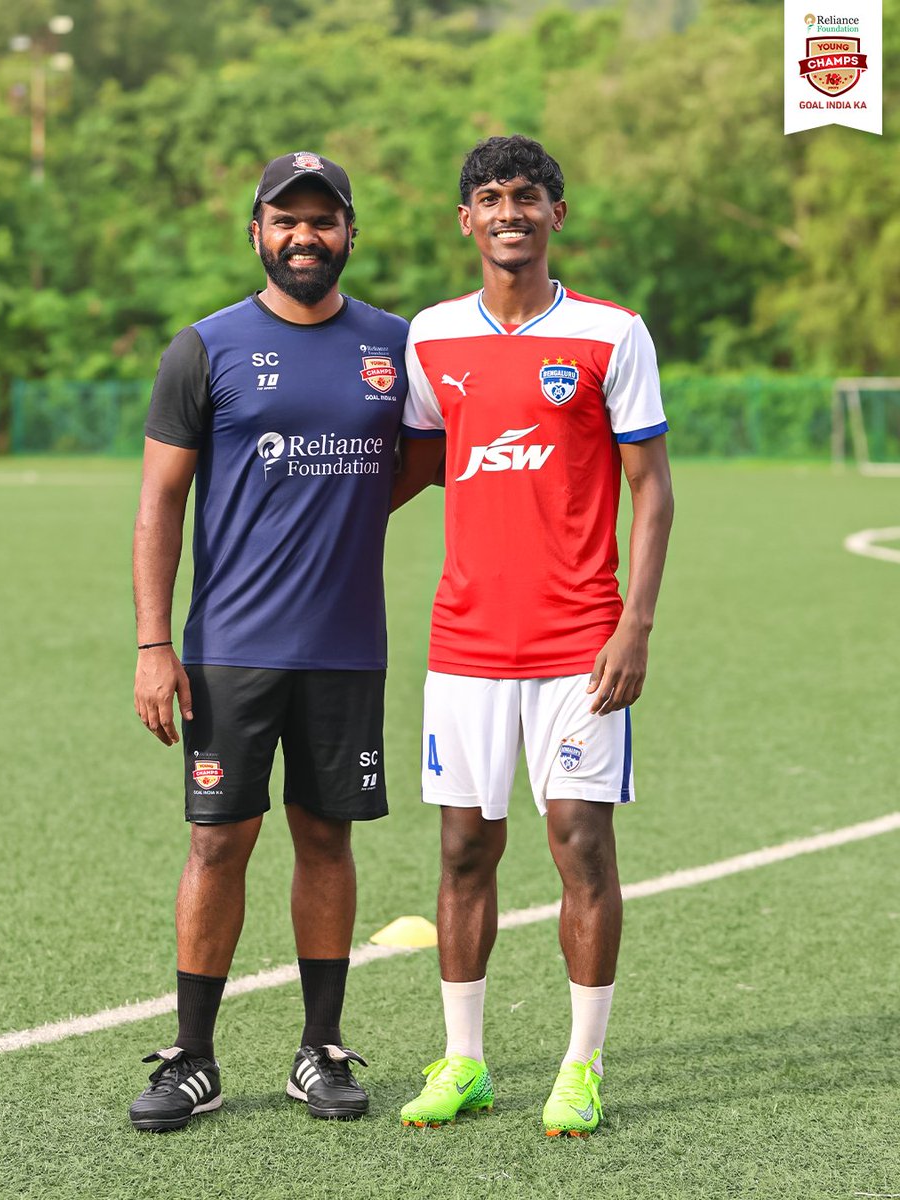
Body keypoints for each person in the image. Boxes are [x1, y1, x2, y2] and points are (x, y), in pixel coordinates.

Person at [391, 135, 674, 1137]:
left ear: (558, 213)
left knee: (578, 844)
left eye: (526, 195)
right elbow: (417, 466)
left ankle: (581, 1065)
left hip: (578, 644)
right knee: (465, 848)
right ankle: (464, 1062)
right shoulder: (430, 338)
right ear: (464, 220)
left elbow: (652, 491)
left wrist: (633, 624)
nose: (507, 210)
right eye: (488, 197)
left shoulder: (611, 334)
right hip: (464, 641)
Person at [129, 151, 408, 1132]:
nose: (304, 236)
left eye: (322, 220)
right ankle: (192, 1056)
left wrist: (351, 504)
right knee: (218, 842)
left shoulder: (395, 346)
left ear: (348, 234)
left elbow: (426, 460)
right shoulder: (204, 348)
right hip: (229, 650)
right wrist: (153, 643)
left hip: (345, 647)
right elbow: (161, 500)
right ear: (256, 230)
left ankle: (319, 1050)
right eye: (285, 219)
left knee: (325, 839)